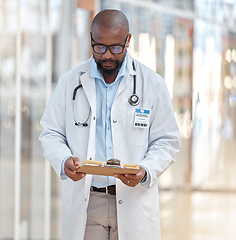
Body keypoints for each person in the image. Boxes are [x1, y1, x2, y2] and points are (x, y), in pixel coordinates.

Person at [39, 9, 179, 240]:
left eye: (116, 47)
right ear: (91, 39)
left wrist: (145, 170)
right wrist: (63, 160)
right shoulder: (70, 82)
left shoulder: (152, 84)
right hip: (88, 201)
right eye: (100, 47)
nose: (107, 55)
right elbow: (51, 133)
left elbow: (167, 141)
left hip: (133, 200)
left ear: (128, 41)